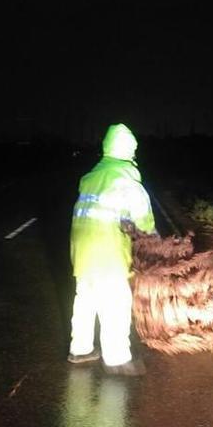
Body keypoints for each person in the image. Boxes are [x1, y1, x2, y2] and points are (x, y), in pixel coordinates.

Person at [68, 123, 156, 376]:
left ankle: (81, 349)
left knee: (85, 300)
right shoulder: (126, 181)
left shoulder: (90, 178)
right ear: (130, 151)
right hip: (109, 254)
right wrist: (158, 250)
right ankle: (117, 358)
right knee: (115, 302)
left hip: (82, 251)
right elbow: (145, 224)